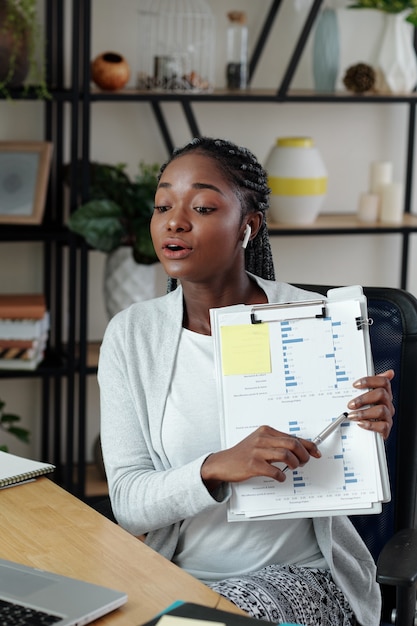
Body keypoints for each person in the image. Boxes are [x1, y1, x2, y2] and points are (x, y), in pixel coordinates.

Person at [98, 137, 394, 626]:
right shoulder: (132, 336)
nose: (175, 221)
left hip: (303, 577)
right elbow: (129, 503)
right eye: (163, 205)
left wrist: (369, 429)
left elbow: (350, 477)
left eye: (203, 206)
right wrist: (217, 466)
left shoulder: (317, 322)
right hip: (178, 576)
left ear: (248, 226)